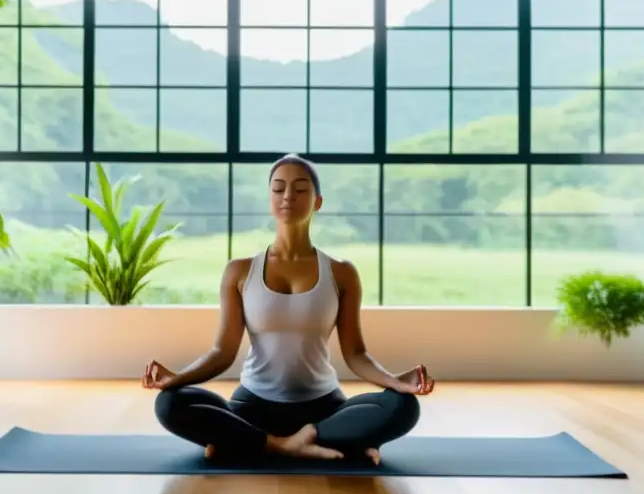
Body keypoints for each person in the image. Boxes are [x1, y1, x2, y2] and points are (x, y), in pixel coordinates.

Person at [142, 153, 435, 465]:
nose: (287, 197)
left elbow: (356, 355)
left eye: (299, 189)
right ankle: (299, 444)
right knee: (170, 404)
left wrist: (395, 382)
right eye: (278, 189)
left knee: (403, 407)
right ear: (269, 198)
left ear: (317, 202)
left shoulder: (341, 272)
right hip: (252, 407)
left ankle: (252, 444)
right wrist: (176, 379)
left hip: (323, 409)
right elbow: (221, 353)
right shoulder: (239, 271)